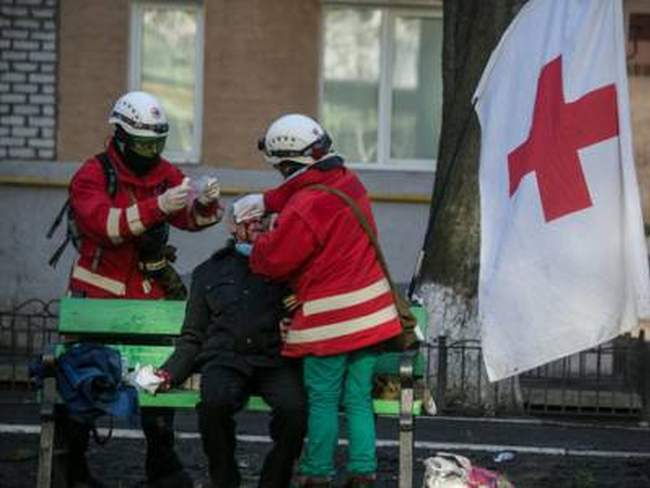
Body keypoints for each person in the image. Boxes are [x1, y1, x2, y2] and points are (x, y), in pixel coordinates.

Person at [62, 90, 222, 487]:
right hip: (97, 301)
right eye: (143, 144)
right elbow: (107, 227)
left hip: (149, 300)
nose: (150, 153)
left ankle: (162, 465)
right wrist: (158, 206)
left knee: (157, 379)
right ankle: (71, 465)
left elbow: (191, 220)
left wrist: (204, 204)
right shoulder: (92, 175)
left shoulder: (163, 173)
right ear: (119, 136)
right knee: (86, 382)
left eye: (157, 143)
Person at [233, 114, 402, 487]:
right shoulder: (349, 182)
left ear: (290, 164)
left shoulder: (304, 207)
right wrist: (264, 201)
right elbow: (307, 184)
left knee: (323, 400)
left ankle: (317, 473)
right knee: (358, 399)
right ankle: (363, 471)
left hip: (331, 322)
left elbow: (276, 261)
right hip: (373, 317)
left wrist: (251, 245)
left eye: (280, 169)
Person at [153, 204, 307, 488]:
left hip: (274, 359)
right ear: (233, 227)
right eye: (250, 221)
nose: (258, 225)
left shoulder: (288, 269)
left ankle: (275, 480)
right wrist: (169, 373)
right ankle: (224, 478)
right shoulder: (209, 272)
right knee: (213, 406)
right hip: (225, 359)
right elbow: (193, 335)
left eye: (263, 221)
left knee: (295, 411)